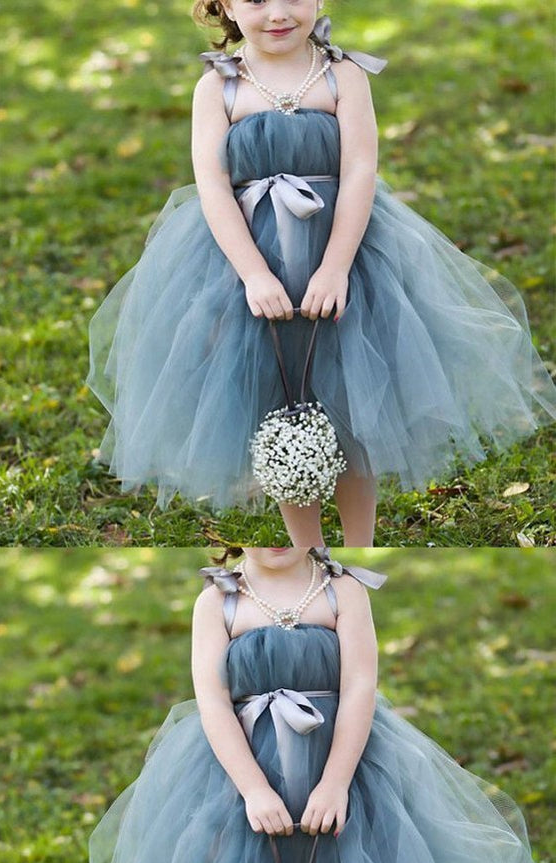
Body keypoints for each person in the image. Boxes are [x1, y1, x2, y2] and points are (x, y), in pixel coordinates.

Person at [86, 1, 556, 547]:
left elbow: (360, 170)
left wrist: (336, 267)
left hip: (345, 248)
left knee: (352, 401)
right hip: (251, 259)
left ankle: (360, 545)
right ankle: (309, 547)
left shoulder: (342, 75)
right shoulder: (218, 87)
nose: (279, 13)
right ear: (226, 7)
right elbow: (213, 186)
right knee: (282, 403)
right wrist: (253, 275)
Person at [86, 547, 556, 863]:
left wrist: (335, 783)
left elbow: (358, 686)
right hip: (247, 774)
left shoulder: (342, 590)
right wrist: (253, 789)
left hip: (342, 765)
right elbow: (212, 701)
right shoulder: (218, 600)